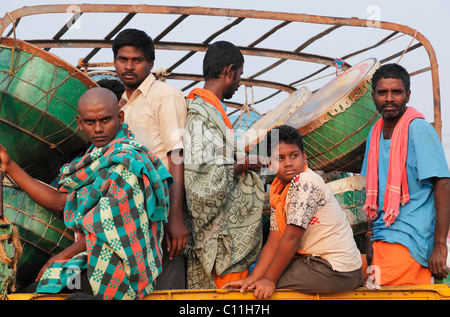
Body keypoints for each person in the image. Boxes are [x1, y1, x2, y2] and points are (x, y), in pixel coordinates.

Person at [0, 87, 172, 299]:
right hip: (89, 255)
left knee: (44, 291)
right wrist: (9, 166)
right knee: (40, 288)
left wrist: (60, 257)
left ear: (119, 117)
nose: (98, 128)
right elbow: (62, 201)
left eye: (105, 120)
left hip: (124, 265)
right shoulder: (95, 157)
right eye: (90, 122)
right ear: (80, 123)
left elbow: (104, 225)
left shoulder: (129, 162)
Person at [223, 125, 363, 299]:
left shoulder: (306, 183)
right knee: (257, 283)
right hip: (315, 263)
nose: (288, 163)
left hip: (337, 270)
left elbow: (292, 238)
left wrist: (268, 279)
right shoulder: (280, 191)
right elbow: (274, 241)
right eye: (280, 158)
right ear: (270, 164)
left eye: (294, 156)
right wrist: (254, 277)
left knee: (264, 287)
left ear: (304, 158)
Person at [183, 41, 266, 289]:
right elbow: (200, 181)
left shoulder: (213, 111)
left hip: (227, 244)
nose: (240, 83)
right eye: (239, 75)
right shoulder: (200, 115)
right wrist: (246, 165)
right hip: (219, 247)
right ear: (229, 70)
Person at [361, 63, 450, 286]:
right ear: (373, 96)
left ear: (407, 95)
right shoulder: (375, 132)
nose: (389, 98)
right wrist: (369, 235)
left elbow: (443, 184)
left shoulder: (418, 129)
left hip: (410, 238)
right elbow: (371, 190)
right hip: (381, 235)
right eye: (382, 92)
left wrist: (440, 246)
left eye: (396, 92)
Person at [113, 28, 188, 290]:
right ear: (115, 62)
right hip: (131, 207)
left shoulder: (165, 96)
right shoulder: (120, 104)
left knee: (167, 272)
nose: (129, 66)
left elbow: (177, 155)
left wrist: (175, 217)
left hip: (163, 204)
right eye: (123, 59)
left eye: (137, 60)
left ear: (151, 63)